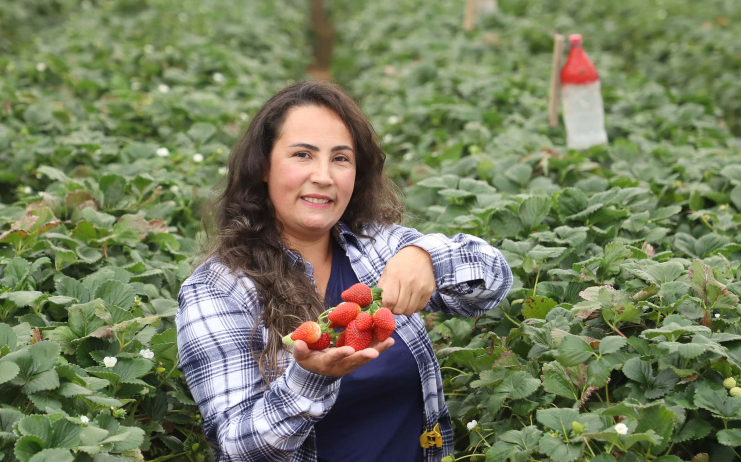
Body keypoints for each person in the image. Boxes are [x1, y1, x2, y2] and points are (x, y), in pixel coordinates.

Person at [175, 81, 513, 461]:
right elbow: (239, 448)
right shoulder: (217, 290)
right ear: (263, 167)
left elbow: (494, 280)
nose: (324, 176)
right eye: (302, 154)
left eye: (341, 158)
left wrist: (426, 256)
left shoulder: (378, 248)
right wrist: (311, 379)